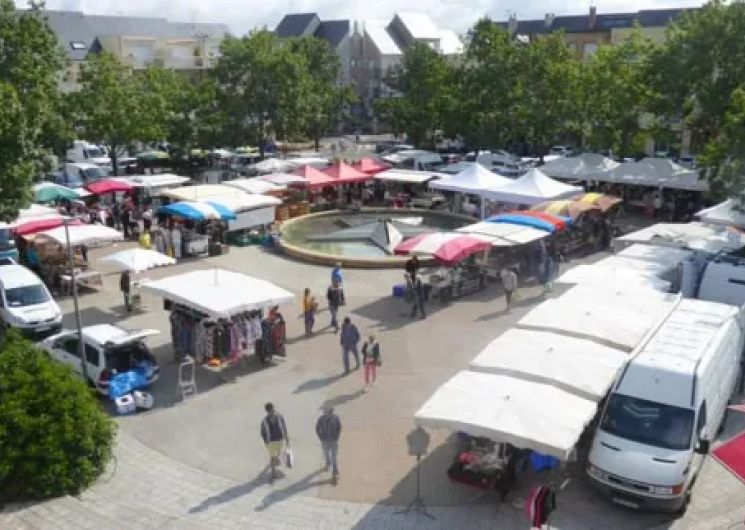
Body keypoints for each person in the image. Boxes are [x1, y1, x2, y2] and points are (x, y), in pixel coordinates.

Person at [260, 402, 289, 484]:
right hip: (271, 442)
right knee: (273, 457)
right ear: (267, 412)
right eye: (271, 411)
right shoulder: (264, 421)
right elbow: (262, 432)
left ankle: (276, 459)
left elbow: (284, 426)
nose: (273, 412)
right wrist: (266, 441)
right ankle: (273, 474)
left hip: (280, 439)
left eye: (273, 410)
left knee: (278, 453)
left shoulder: (280, 417)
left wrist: (287, 437)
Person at [315, 406, 342, 483]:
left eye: (329, 412)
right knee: (326, 453)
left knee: (334, 457)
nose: (327, 414)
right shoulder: (321, 419)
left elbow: (339, 427)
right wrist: (320, 437)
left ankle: (335, 472)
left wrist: (337, 437)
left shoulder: (336, 418)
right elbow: (317, 428)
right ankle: (328, 462)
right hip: (325, 441)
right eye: (326, 412)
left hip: (333, 441)